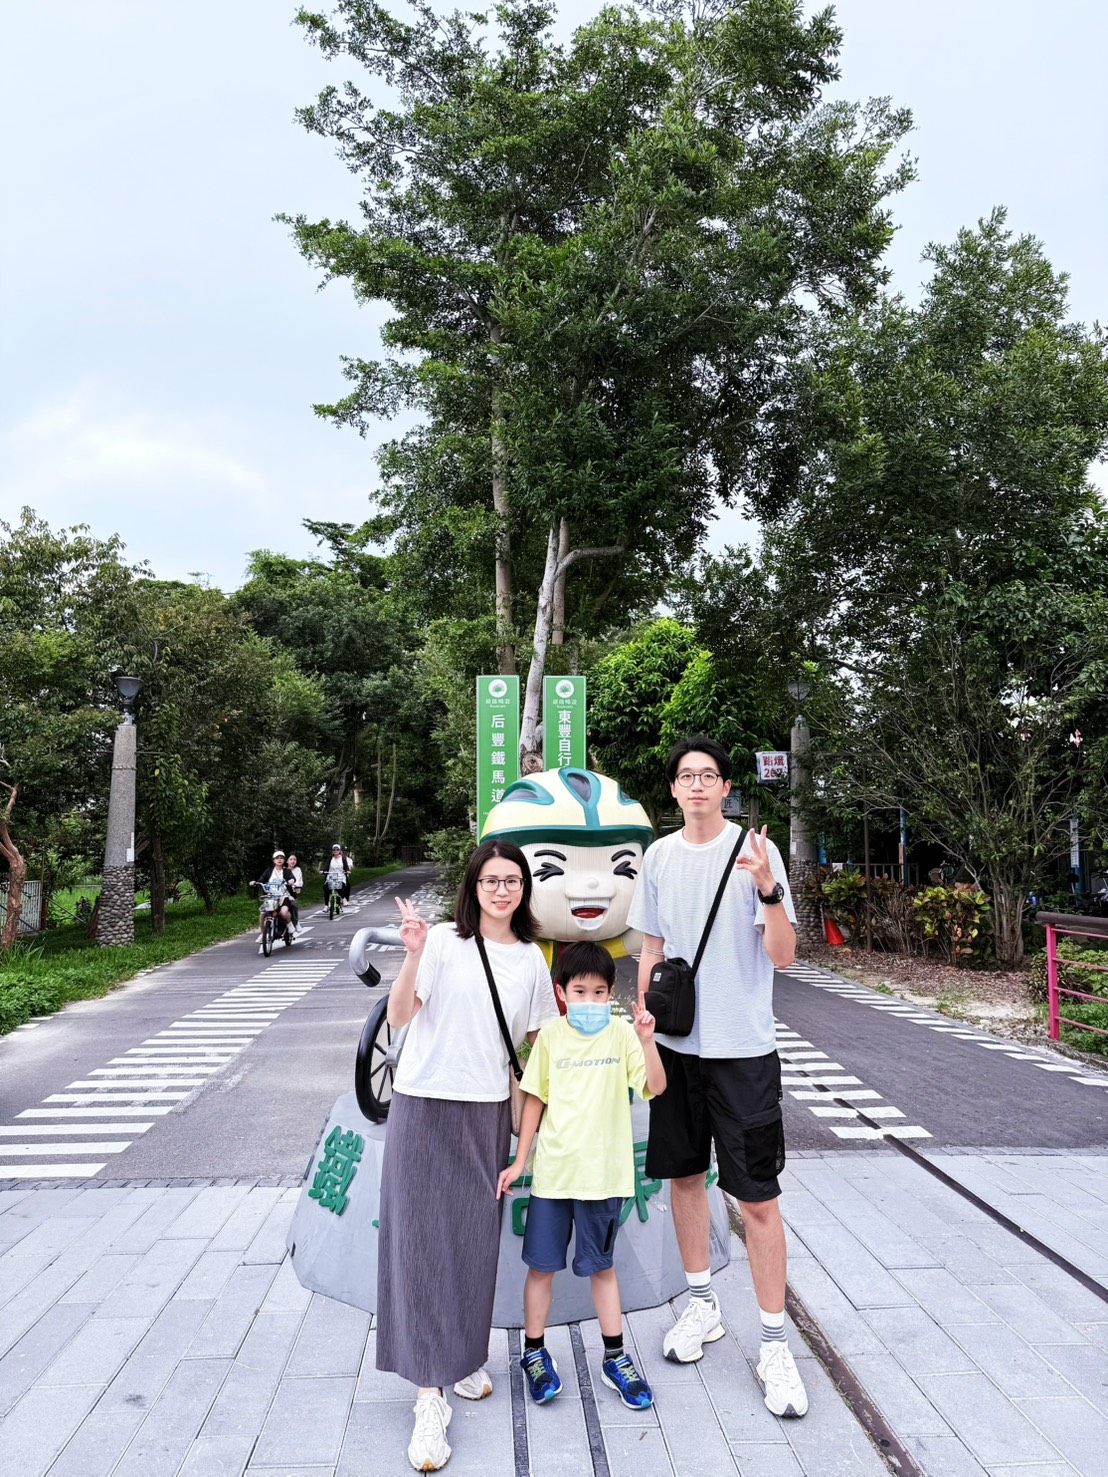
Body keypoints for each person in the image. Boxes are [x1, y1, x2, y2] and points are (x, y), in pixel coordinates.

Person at [628, 734, 809, 1419]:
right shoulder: (659, 857)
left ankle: (773, 1341)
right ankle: (701, 1304)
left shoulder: (757, 855)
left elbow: (785, 956)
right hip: (677, 1048)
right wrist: (644, 1016)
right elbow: (651, 947)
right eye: (686, 776)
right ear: (672, 790)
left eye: (709, 775)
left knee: (757, 1197)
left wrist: (767, 887)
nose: (697, 785)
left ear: (725, 787)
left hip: (743, 1053)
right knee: (682, 1177)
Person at [377, 839, 560, 1473]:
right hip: (423, 1105)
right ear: (473, 887)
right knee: (422, 1240)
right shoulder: (443, 946)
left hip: (487, 1112)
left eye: (513, 881)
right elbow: (400, 1018)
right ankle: (429, 1395)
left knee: (475, 1242)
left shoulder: (533, 960)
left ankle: (461, 1357)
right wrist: (412, 955)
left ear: (523, 891)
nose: (503, 890)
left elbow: (541, 1047)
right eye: (491, 880)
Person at [497, 942, 666, 1410]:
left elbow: (655, 1086)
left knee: (602, 1268)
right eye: (579, 991)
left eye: (599, 992)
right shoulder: (550, 1036)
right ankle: (533, 1353)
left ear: (611, 994)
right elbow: (534, 1100)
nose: (589, 1001)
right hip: (553, 1176)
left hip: (603, 1178)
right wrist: (519, 1160)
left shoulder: (622, 1034)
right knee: (541, 1269)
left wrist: (648, 1040)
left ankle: (615, 1357)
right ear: (561, 993)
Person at [252, 850, 296, 940]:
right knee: (263, 913)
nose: (279, 860)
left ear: (284, 860)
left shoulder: (286, 871)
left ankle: (289, 924)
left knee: (283, 913)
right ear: (273, 860)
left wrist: (291, 881)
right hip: (271, 896)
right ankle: (263, 933)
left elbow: (292, 878)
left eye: (281, 858)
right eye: (277, 858)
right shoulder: (269, 871)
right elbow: (261, 880)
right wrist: (255, 883)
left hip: (283, 896)